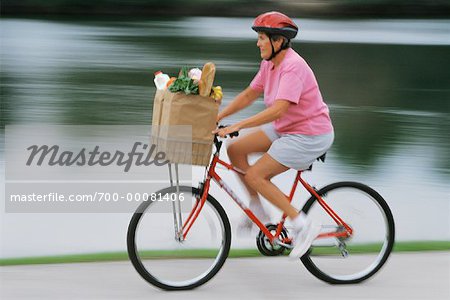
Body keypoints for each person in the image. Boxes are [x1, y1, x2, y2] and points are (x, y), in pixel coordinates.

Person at [212, 11, 334, 258]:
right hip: (286, 128)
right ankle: (259, 210)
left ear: (278, 41)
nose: (258, 43)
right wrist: (218, 117)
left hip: (308, 134)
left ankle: (302, 224)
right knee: (235, 150)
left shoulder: (293, 67)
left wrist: (238, 126)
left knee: (256, 175)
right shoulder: (270, 64)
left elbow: (279, 109)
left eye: (262, 38)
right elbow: (249, 94)